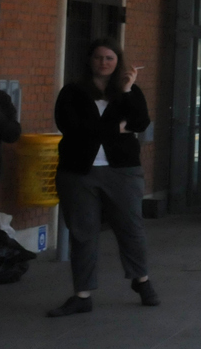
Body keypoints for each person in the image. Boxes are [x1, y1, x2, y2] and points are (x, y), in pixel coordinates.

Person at [47, 37, 159, 317]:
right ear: (89, 60)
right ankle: (82, 295)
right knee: (83, 233)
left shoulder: (127, 92)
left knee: (131, 228)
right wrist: (116, 128)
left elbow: (140, 122)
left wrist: (127, 90)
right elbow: (71, 127)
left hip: (122, 171)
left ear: (117, 61)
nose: (104, 63)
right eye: (99, 57)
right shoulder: (72, 92)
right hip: (79, 172)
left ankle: (141, 280)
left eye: (110, 58)